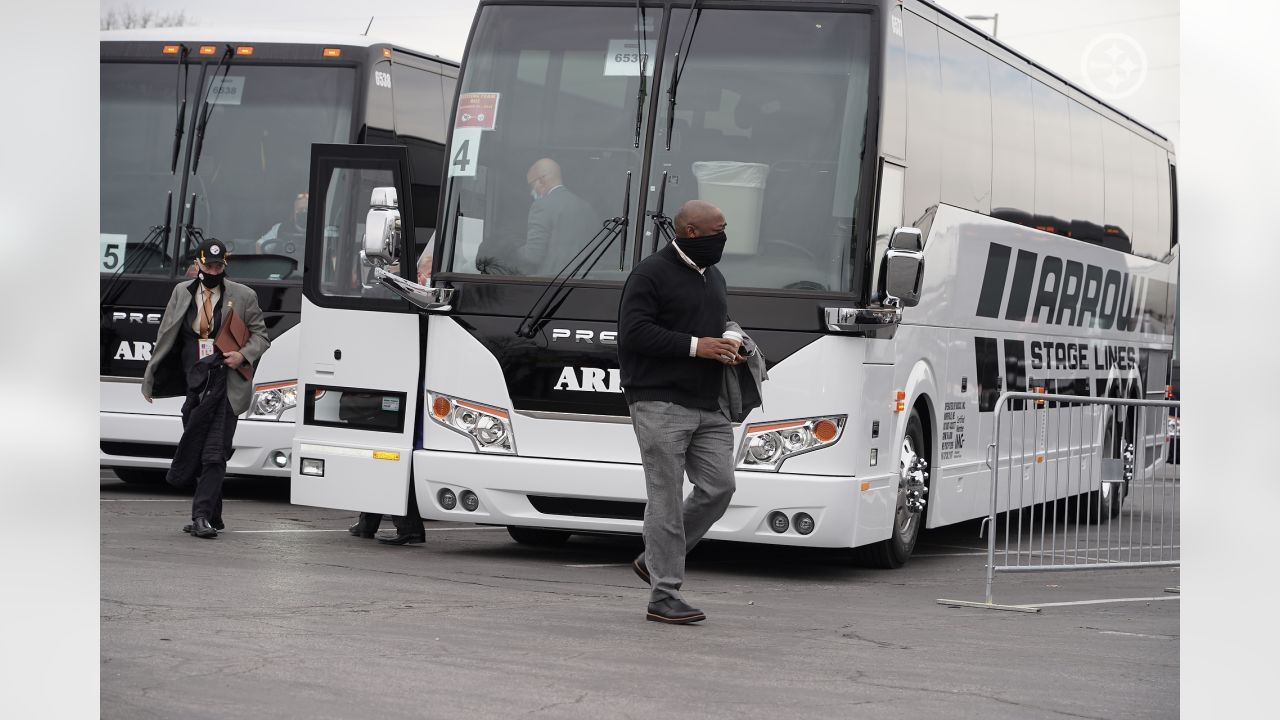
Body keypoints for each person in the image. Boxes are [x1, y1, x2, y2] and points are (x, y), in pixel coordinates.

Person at [617, 199, 752, 625]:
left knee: (720, 488)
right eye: (719, 229)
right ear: (691, 232)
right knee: (666, 498)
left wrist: (732, 336)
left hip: (709, 403)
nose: (724, 238)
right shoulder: (650, 274)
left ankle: (653, 558)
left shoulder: (713, 275)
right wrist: (698, 346)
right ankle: (664, 594)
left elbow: (721, 317)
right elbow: (634, 333)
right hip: (659, 401)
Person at [142, 237, 270, 538]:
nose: (213, 270)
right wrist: (150, 377)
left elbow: (261, 337)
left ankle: (200, 517)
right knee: (200, 447)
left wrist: (243, 354)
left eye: (219, 265)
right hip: (194, 383)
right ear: (197, 263)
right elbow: (165, 335)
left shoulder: (243, 295)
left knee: (214, 452)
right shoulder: (181, 292)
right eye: (209, 265)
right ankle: (214, 515)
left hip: (226, 383)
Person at [514, 158, 598, 275]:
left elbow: (533, 255)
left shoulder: (541, 206)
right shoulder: (587, 208)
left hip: (553, 285)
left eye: (531, 185)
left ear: (541, 181)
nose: (531, 192)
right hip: (585, 284)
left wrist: (511, 251)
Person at [256, 191, 308, 257]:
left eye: (307, 210)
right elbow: (259, 244)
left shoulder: (321, 232)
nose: (304, 212)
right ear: (293, 212)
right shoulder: (280, 228)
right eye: (300, 209)